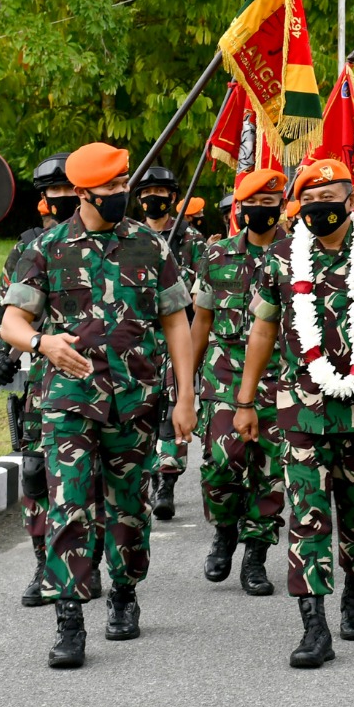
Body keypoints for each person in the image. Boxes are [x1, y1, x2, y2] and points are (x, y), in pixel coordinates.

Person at [0, 142, 196, 668]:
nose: (120, 194)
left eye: (121, 185)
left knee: (129, 508)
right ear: (83, 193)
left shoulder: (150, 247)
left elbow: (177, 323)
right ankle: (69, 617)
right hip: (68, 402)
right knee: (70, 506)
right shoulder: (46, 249)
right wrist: (43, 343)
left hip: (135, 400)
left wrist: (186, 395)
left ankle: (125, 593)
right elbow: (12, 323)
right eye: (109, 188)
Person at [233, 158, 354, 668]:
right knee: (308, 517)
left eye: (329, 197)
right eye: (310, 200)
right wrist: (245, 402)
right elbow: (262, 332)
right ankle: (313, 625)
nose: (319, 207)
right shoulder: (281, 257)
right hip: (301, 417)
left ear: (351, 199)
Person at [0, 153, 108, 606]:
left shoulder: (99, 242)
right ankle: (44, 561)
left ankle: (87, 562)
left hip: (88, 381)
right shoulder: (28, 248)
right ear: (43, 200)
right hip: (39, 385)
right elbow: (6, 313)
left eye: (65, 191)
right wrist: (0, 354)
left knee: (87, 478)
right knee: (36, 474)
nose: (59, 200)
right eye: (51, 193)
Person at [190, 170, 288, 597]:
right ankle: (225, 528)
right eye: (255, 203)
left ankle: (255, 556)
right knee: (220, 465)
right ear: (241, 208)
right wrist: (183, 384)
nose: (263, 210)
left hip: (281, 375)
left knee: (270, 474)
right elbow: (201, 322)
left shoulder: (298, 255)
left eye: (272, 202)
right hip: (224, 375)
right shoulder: (216, 257)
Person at [133, 165, 207, 520]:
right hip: (139, 340)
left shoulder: (193, 243)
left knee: (174, 409)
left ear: (173, 198)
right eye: (147, 195)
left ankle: (167, 483)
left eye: (160, 194)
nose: (154, 200)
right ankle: (142, 479)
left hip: (178, 337)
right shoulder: (131, 240)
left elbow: (199, 295)